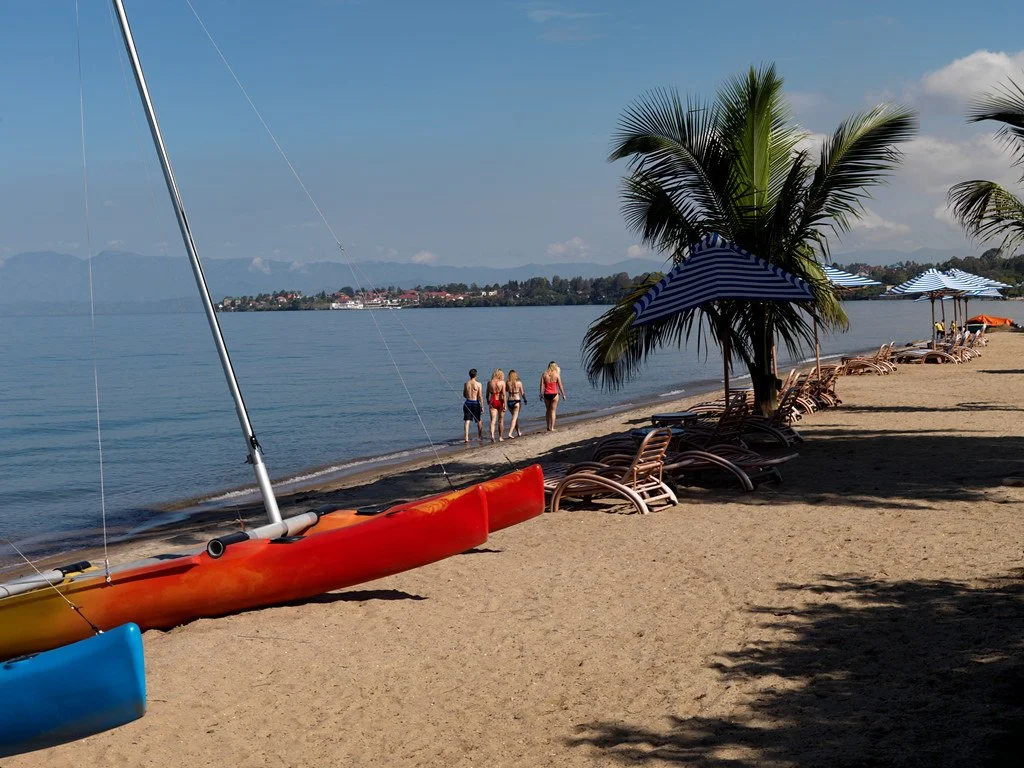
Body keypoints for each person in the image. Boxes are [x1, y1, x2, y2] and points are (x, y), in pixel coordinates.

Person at [539, 361, 567, 432]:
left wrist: (541, 394)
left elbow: (542, 385)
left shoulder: (544, 374)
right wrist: (563, 394)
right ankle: (552, 427)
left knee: (548, 410)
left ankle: (548, 426)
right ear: (555, 367)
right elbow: (560, 385)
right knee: (553, 411)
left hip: (546, 394)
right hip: (554, 394)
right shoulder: (557, 375)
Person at [462, 369, 483, 443]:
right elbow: (480, 396)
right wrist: (482, 406)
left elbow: (464, 394)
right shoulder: (478, 384)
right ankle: (480, 436)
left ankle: (466, 437)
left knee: (467, 421)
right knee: (478, 420)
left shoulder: (466, 384)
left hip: (467, 402)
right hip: (475, 403)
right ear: (476, 375)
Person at [486, 369, 507, 442]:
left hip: (492, 400)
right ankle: (500, 437)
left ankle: (492, 435)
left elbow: (487, 394)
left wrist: (488, 401)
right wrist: (505, 405)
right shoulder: (502, 383)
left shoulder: (489, 383)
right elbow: (504, 394)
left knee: (493, 420)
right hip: (500, 400)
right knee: (501, 420)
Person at [506, 369, 527, 438]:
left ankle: (518, 432)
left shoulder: (507, 382)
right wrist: (525, 399)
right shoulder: (519, 383)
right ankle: (510, 433)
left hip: (509, 401)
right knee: (514, 418)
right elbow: (522, 393)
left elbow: (506, 390)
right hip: (516, 401)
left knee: (515, 417)